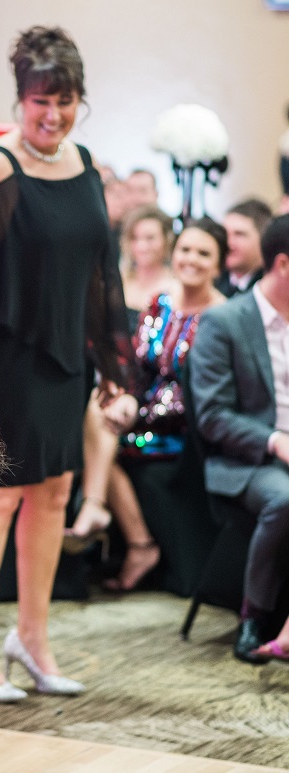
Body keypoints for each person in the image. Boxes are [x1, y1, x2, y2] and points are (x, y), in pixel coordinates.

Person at [0, 26, 136, 702]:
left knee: (52, 495)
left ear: (79, 101)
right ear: (21, 99)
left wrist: (110, 364)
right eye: (40, 102)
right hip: (4, 359)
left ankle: (34, 638)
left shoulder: (85, 164)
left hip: (64, 358)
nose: (52, 116)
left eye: (65, 101)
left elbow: (102, 273)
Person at [75, 219, 227, 590]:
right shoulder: (160, 303)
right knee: (97, 410)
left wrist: (145, 413)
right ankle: (107, 517)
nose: (191, 259)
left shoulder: (223, 317)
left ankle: (134, 540)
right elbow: (135, 364)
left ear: (219, 265)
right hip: (143, 413)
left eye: (203, 253)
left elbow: (211, 393)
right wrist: (127, 397)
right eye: (186, 250)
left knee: (103, 444)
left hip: (183, 427)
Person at [191, 213, 289, 664]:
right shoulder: (225, 321)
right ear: (283, 265)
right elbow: (213, 417)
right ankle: (254, 616)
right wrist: (275, 440)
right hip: (246, 461)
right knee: (285, 498)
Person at [67, 205, 177, 548]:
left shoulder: (174, 288)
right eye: (135, 238)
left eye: (150, 238)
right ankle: (134, 540)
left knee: (100, 416)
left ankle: (102, 512)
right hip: (109, 379)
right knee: (95, 418)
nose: (142, 245)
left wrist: (126, 388)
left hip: (152, 390)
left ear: (166, 241)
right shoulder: (117, 281)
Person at [217, 198, 272, 297]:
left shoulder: (271, 287)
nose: (229, 242)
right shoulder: (212, 281)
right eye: (225, 234)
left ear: (263, 239)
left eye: (239, 234)